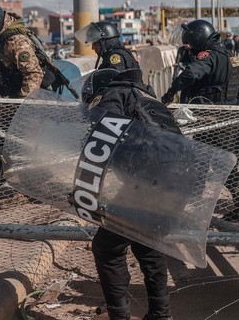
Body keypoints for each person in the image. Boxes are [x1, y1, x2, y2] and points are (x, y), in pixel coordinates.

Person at [82, 67, 179, 320]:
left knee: (107, 249)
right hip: (178, 180)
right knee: (147, 241)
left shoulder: (113, 94)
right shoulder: (146, 96)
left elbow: (101, 141)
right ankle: (161, 314)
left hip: (148, 180)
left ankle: (119, 316)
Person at [161, 20, 239, 220]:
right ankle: (236, 205)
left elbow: (191, 73)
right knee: (222, 163)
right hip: (227, 119)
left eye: (190, 42)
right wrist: (235, 111)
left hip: (212, 120)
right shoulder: (229, 56)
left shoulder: (209, 57)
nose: (188, 47)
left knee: (203, 161)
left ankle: (192, 210)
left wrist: (170, 92)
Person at [0, 0, 66, 98]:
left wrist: (21, 104)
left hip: (34, 98)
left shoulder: (16, 43)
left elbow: (33, 74)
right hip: (12, 95)